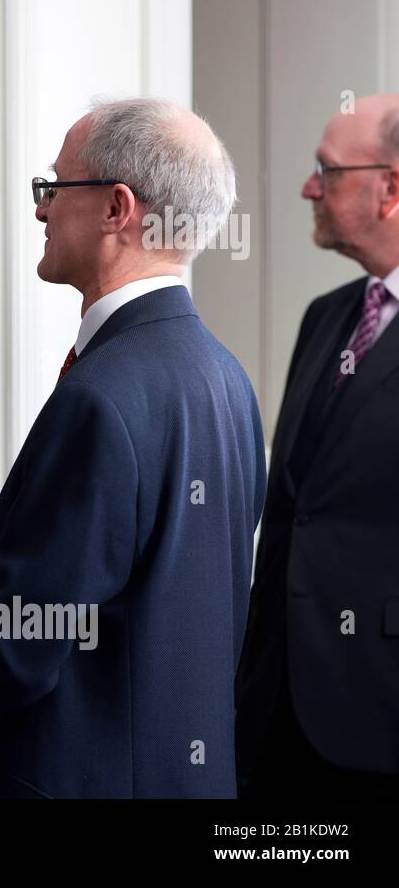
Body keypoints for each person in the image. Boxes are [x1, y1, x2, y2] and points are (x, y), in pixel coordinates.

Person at [0, 97, 266, 798]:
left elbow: (29, 618)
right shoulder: (227, 378)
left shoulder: (104, 393)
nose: (40, 210)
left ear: (118, 208)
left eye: (54, 189)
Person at [236, 95, 399, 798]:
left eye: (327, 172)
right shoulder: (328, 318)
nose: (309, 187)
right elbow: (295, 512)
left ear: (391, 188)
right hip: (278, 721)